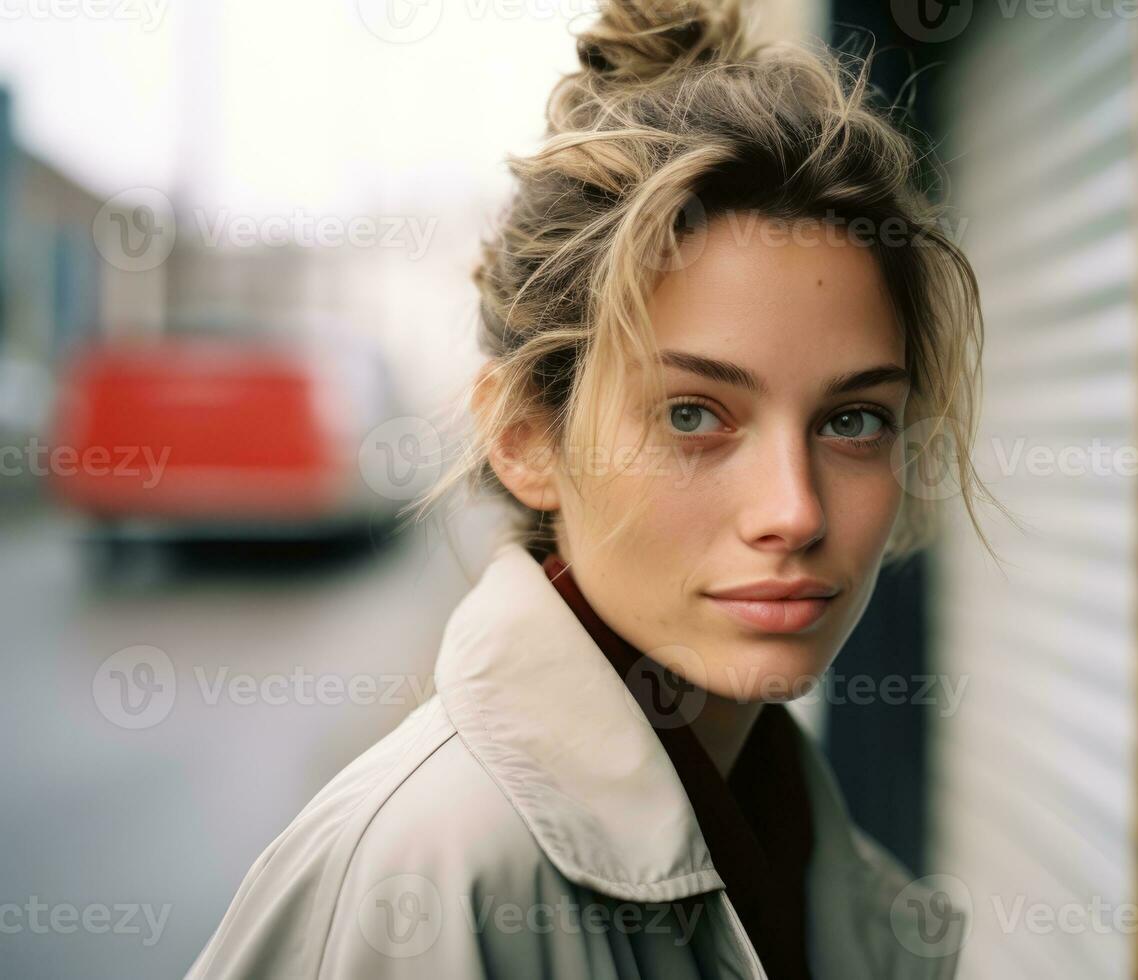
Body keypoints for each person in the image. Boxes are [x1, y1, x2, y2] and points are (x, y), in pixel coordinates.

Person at [184, 0, 987, 976]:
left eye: (853, 419)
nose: (796, 510)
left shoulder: (828, 874)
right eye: (694, 414)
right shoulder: (425, 879)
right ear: (526, 437)